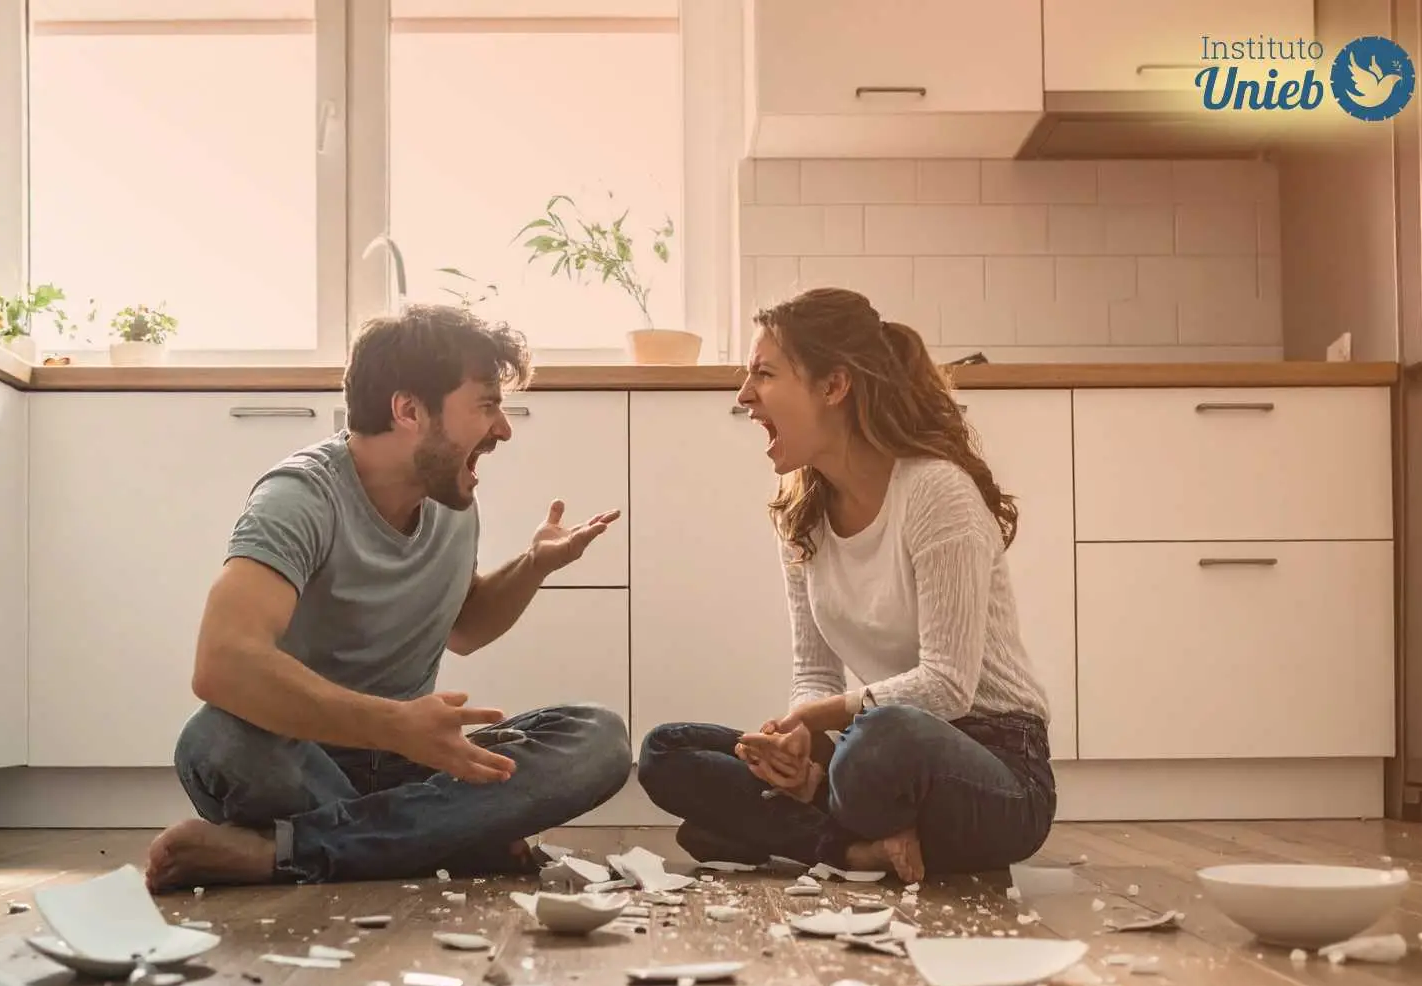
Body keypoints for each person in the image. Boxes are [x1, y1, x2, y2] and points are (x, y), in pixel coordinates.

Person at [146, 305, 633, 891]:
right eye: (485, 404)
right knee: (217, 742)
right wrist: (394, 726)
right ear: (408, 410)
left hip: (415, 764)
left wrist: (533, 566)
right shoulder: (298, 498)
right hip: (305, 758)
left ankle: (289, 852)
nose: (503, 428)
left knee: (598, 738)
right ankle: (445, 835)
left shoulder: (451, 499)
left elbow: (465, 626)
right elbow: (222, 662)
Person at [636, 287, 1055, 884]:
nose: (744, 395)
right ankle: (855, 848)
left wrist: (815, 722)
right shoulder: (801, 513)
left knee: (877, 741)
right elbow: (815, 671)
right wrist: (794, 749)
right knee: (666, 753)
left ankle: (798, 828)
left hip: (995, 768)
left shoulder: (936, 492)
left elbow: (948, 687)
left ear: (833, 387)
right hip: (871, 752)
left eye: (764, 374)